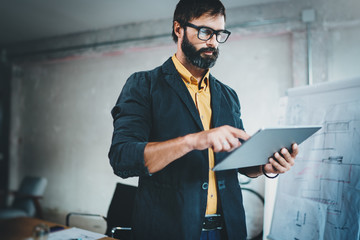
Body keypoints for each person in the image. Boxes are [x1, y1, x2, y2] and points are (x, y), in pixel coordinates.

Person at [108, 0, 298, 239]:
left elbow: (237, 160)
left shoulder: (228, 95)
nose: (213, 42)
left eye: (219, 34)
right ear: (179, 29)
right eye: (206, 31)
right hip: (168, 231)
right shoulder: (143, 85)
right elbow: (122, 157)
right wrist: (193, 141)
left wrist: (264, 166)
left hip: (228, 230)